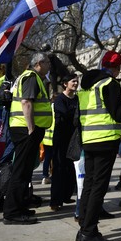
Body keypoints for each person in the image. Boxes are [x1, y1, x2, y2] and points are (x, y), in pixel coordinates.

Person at [76, 50, 121, 241]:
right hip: (105, 139)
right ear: (116, 68)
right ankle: (89, 231)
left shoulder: (88, 86)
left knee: (89, 184)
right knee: (99, 186)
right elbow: (119, 114)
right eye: (119, 68)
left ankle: (84, 227)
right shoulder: (109, 84)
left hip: (89, 139)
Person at [2, 52, 52, 225]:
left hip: (24, 128)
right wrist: (31, 128)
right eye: (47, 62)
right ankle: (12, 212)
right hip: (26, 129)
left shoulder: (30, 77)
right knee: (21, 171)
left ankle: (20, 206)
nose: (49, 66)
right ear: (39, 63)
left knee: (24, 171)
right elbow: (26, 102)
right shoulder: (31, 77)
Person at [50, 74, 79, 211]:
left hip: (74, 139)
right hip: (61, 138)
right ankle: (55, 201)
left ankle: (66, 195)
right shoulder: (60, 99)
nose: (75, 83)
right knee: (59, 168)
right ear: (65, 84)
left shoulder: (77, 99)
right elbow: (66, 114)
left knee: (71, 167)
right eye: (73, 81)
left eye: (76, 81)